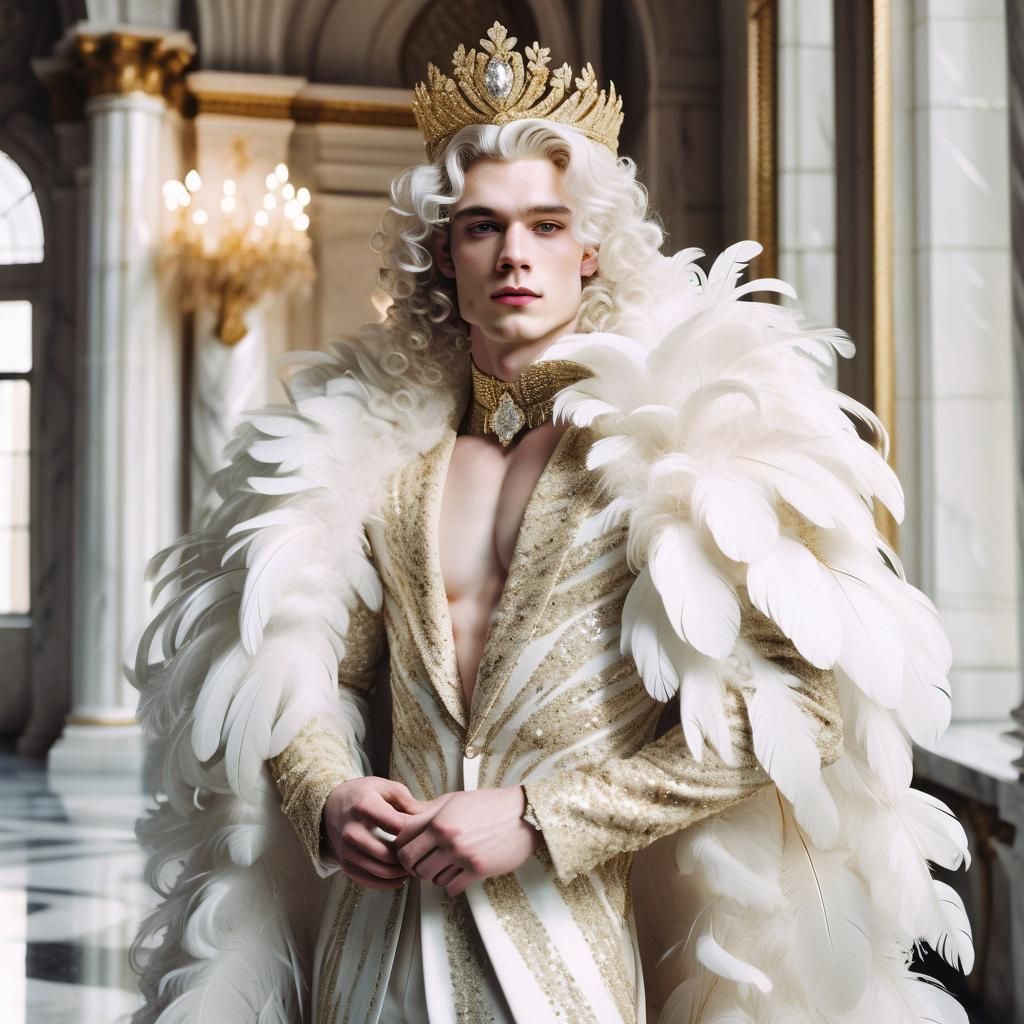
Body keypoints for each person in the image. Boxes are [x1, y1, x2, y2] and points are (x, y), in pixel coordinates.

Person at [129, 22, 973, 1024]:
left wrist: (538, 815)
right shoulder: (395, 470)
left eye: (543, 224)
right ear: (442, 253)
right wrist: (327, 792)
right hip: (375, 950)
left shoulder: (671, 461)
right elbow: (309, 662)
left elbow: (787, 716)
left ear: (589, 248)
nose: (513, 255)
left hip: (561, 953)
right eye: (483, 227)